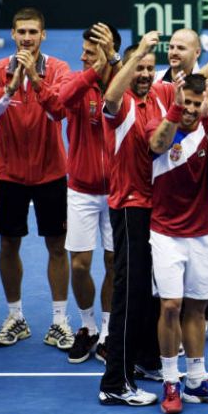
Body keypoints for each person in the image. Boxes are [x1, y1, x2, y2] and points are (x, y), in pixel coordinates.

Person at [97, 31, 208, 407]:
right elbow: (111, 95)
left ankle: (151, 361)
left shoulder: (163, 94)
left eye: (151, 68)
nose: (146, 73)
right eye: (140, 67)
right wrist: (134, 57)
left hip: (156, 208)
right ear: (128, 69)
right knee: (131, 297)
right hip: (131, 206)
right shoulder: (122, 106)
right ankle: (115, 380)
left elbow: (202, 84)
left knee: (155, 297)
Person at [0, 8, 74, 350]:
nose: (27, 38)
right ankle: (15, 316)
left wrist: (36, 79)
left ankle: (60, 320)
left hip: (51, 172)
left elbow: (59, 110)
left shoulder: (59, 69)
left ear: (43, 35)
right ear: (13, 35)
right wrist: (11, 87)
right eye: (21, 32)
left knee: (57, 246)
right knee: (8, 244)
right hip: (10, 173)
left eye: (33, 32)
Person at [147, 74, 208, 414]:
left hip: (204, 233)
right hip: (166, 231)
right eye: (187, 102)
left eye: (198, 104)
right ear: (177, 99)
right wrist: (175, 113)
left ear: (205, 104)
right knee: (170, 306)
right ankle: (171, 381)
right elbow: (157, 145)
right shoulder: (161, 123)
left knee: (198, 307)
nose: (191, 109)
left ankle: (196, 381)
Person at [154, 28, 208, 331]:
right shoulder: (158, 81)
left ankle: (200, 310)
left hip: (194, 176)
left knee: (191, 270)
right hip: (159, 178)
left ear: (197, 53)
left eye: (181, 48)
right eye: (170, 46)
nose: (173, 52)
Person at [57, 22, 121, 364]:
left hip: (116, 190)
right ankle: (87, 326)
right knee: (80, 266)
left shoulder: (120, 82)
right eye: (83, 51)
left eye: (90, 53)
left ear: (108, 54)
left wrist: (111, 64)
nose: (83, 57)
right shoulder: (75, 80)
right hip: (80, 189)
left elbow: (125, 94)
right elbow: (60, 101)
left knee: (114, 262)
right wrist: (90, 73)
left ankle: (109, 330)